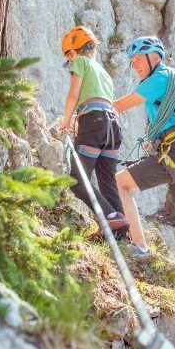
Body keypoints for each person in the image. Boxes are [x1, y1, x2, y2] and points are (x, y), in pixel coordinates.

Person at [114, 35, 175, 296]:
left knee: (120, 184)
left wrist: (86, 112)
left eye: (137, 59)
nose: (134, 65)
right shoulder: (174, 79)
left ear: (153, 57)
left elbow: (120, 106)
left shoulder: (159, 78)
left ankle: (139, 245)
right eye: (132, 61)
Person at [58, 26, 130, 238]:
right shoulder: (104, 73)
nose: (70, 63)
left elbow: (73, 95)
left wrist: (66, 122)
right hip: (112, 128)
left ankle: (110, 216)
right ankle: (119, 233)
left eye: (68, 59)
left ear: (73, 52)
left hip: (94, 122)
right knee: (108, 183)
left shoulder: (81, 62)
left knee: (77, 180)